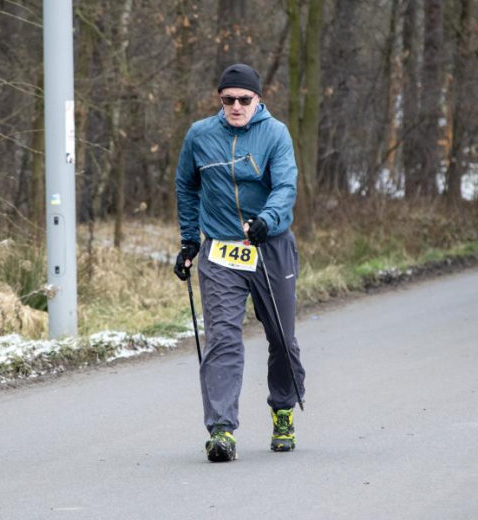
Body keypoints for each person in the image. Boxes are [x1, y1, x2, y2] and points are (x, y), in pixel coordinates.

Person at [174, 63, 306, 462]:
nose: (235, 106)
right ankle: (221, 430)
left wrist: (267, 219)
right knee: (223, 338)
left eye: (243, 99)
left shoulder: (275, 133)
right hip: (221, 251)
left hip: (269, 244)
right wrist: (189, 240)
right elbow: (186, 185)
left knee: (281, 338)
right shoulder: (200, 135)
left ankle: (282, 410)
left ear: (258, 99)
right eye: (228, 99)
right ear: (220, 99)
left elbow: (285, 186)